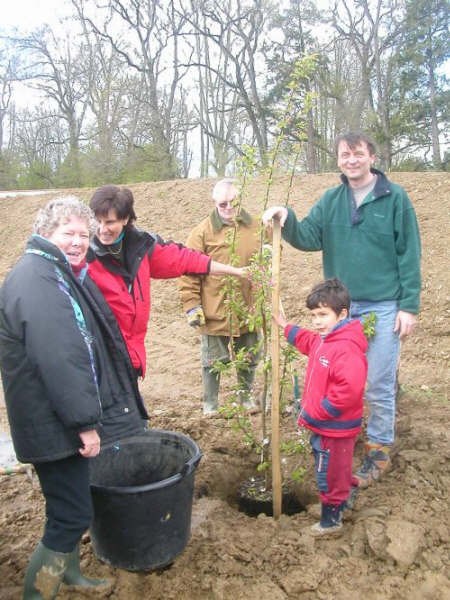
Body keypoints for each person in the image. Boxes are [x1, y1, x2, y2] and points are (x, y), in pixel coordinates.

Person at [0, 197, 148, 599]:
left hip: (51, 419)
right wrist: (85, 424)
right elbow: (61, 359)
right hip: (55, 424)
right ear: (46, 233)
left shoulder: (53, 272)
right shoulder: (38, 281)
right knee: (71, 516)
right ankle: (38, 593)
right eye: (69, 233)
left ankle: (71, 576)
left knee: (66, 505)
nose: (79, 242)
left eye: (84, 235)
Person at [263, 131, 421, 488]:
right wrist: (285, 217)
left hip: (382, 304)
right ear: (338, 160)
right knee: (342, 375)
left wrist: (408, 306)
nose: (351, 160)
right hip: (342, 309)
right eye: (345, 154)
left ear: (372, 157)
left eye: (358, 153)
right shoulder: (332, 200)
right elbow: (307, 237)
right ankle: (340, 438)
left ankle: (378, 451)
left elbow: (409, 253)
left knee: (377, 382)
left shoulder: (395, 199)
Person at [88, 185, 247, 382]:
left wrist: (237, 272)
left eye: (109, 222)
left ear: (125, 219)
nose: (102, 230)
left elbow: (189, 261)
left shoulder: (141, 248)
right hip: (99, 357)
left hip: (130, 356)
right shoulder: (84, 257)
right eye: (98, 222)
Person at [275, 278, 368, 536]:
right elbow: (307, 341)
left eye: (323, 315)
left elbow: (348, 390)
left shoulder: (345, 348)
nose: (316, 321)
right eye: (314, 315)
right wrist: (286, 327)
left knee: (329, 474)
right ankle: (345, 497)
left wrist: (321, 411)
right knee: (334, 468)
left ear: (343, 314)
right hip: (326, 426)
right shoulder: (325, 339)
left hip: (333, 428)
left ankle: (331, 521)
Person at [178, 179, 262, 415]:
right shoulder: (202, 232)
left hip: (248, 308)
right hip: (215, 308)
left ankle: (245, 398)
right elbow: (187, 270)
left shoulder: (256, 227)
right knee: (213, 361)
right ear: (215, 203)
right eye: (222, 204)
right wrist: (192, 305)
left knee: (249, 356)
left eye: (233, 203)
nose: (228, 208)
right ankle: (211, 405)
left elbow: (272, 255)